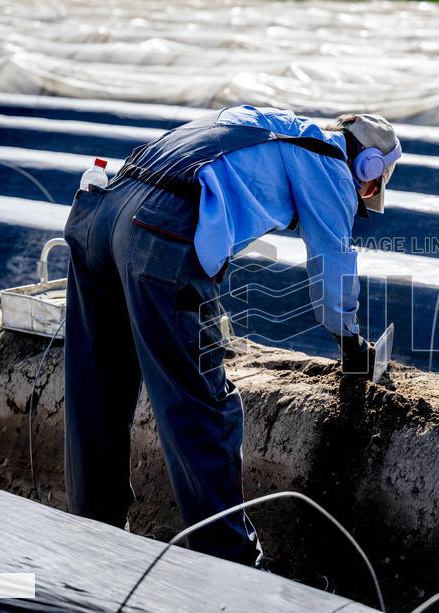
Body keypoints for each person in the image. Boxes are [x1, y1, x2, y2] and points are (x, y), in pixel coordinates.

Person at [61, 105, 401, 568]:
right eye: (371, 187)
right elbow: (332, 264)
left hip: (100, 210)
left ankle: (92, 537)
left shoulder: (259, 122)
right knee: (202, 405)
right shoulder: (329, 165)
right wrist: (352, 344)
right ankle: (233, 564)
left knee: (98, 389)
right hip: (158, 232)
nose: (365, 196)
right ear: (369, 170)